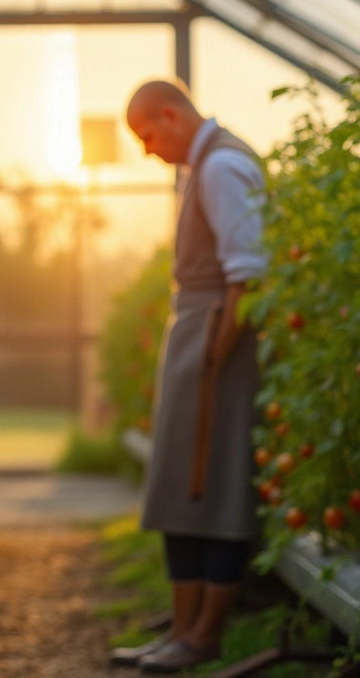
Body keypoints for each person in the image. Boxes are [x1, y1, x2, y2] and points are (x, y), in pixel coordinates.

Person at [110, 80, 267, 674]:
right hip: (203, 332)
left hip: (218, 336)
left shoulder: (223, 166)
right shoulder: (208, 165)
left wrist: (211, 357)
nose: (148, 150)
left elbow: (246, 277)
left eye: (147, 135)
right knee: (183, 483)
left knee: (215, 482)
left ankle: (202, 636)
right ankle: (182, 631)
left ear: (171, 116)